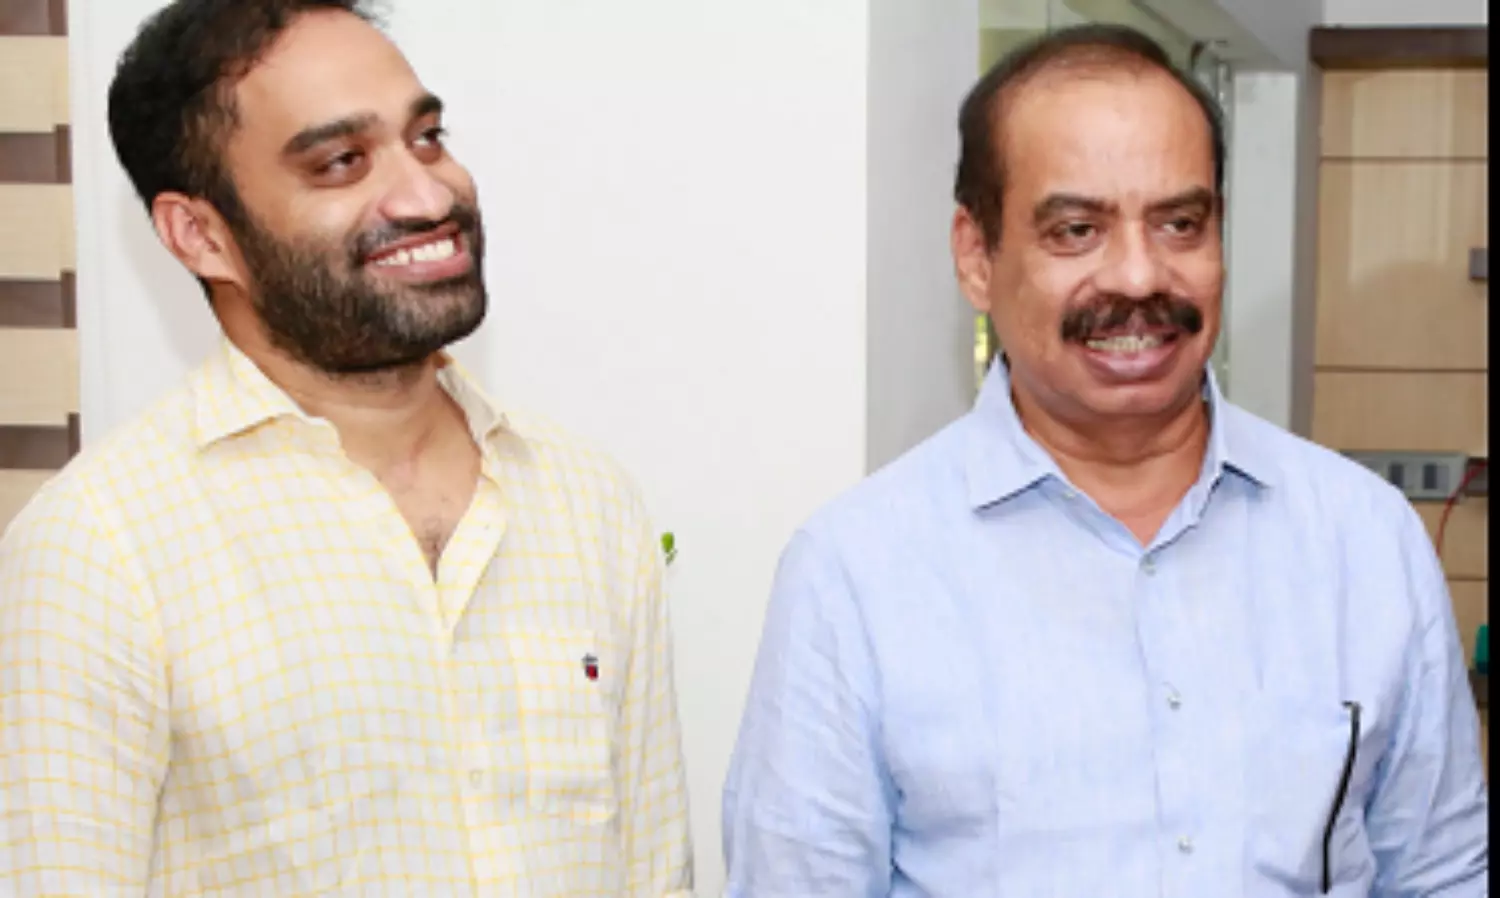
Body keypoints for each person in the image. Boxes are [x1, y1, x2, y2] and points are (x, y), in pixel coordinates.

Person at [722, 23, 1488, 897]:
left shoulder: (1365, 542)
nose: (1137, 276)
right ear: (976, 256)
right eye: (1077, 230)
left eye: (1180, 224)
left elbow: (1443, 875)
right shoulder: (854, 575)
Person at [0, 1, 693, 894]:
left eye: (427, 138)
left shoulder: (585, 499)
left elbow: (653, 874)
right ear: (201, 235)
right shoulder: (101, 546)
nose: (428, 196)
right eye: (341, 162)